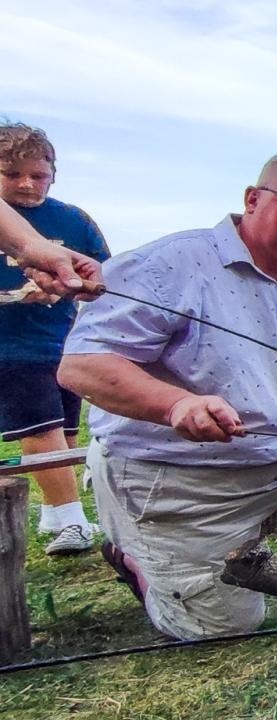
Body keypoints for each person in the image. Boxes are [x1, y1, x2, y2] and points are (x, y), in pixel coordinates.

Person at [58, 154, 277, 639]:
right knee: (226, 628)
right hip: (182, 478)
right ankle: (136, 559)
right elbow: (82, 365)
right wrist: (176, 405)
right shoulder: (172, 263)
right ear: (253, 199)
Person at [0, 123, 112, 555]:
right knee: (39, 429)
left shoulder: (73, 219)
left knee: (65, 430)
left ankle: (52, 512)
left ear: (53, 174)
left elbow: (104, 272)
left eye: (37, 175)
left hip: (63, 341)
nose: (27, 184)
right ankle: (72, 520)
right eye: (12, 175)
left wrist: (81, 288)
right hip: (11, 348)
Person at [1, 200, 102, 301]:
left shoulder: (74, 218)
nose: (26, 185)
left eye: (38, 182)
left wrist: (30, 245)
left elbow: (105, 266)